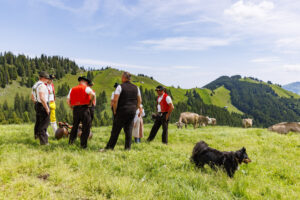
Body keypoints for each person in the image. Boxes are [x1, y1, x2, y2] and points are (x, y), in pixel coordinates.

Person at [100, 72, 142, 151]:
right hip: (132, 111)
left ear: (123, 77)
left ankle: (110, 148)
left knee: (116, 130)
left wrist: (115, 110)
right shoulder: (136, 88)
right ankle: (127, 148)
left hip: (122, 111)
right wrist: (135, 108)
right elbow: (140, 100)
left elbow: (115, 100)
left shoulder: (120, 87)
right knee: (129, 130)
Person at [67, 76, 95, 148]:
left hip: (75, 109)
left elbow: (68, 100)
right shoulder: (86, 88)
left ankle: (71, 142)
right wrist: (90, 103)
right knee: (86, 127)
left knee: (75, 126)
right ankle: (83, 145)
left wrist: (71, 107)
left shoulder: (72, 89)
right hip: (84, 108)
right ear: (85, 82)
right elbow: (93, 94)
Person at [31, 71, 50, 145]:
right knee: (44, 123)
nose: (47, 80)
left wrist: (36, 103)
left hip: (37, 104)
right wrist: (46, 108)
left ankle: (37, 136)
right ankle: (44, 142)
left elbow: (32, 97)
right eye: (47, 78)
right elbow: (42, 97)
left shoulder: (35, 85)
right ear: (43, 78)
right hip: (43, 104)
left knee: (38, 122)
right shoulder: (42, 85)